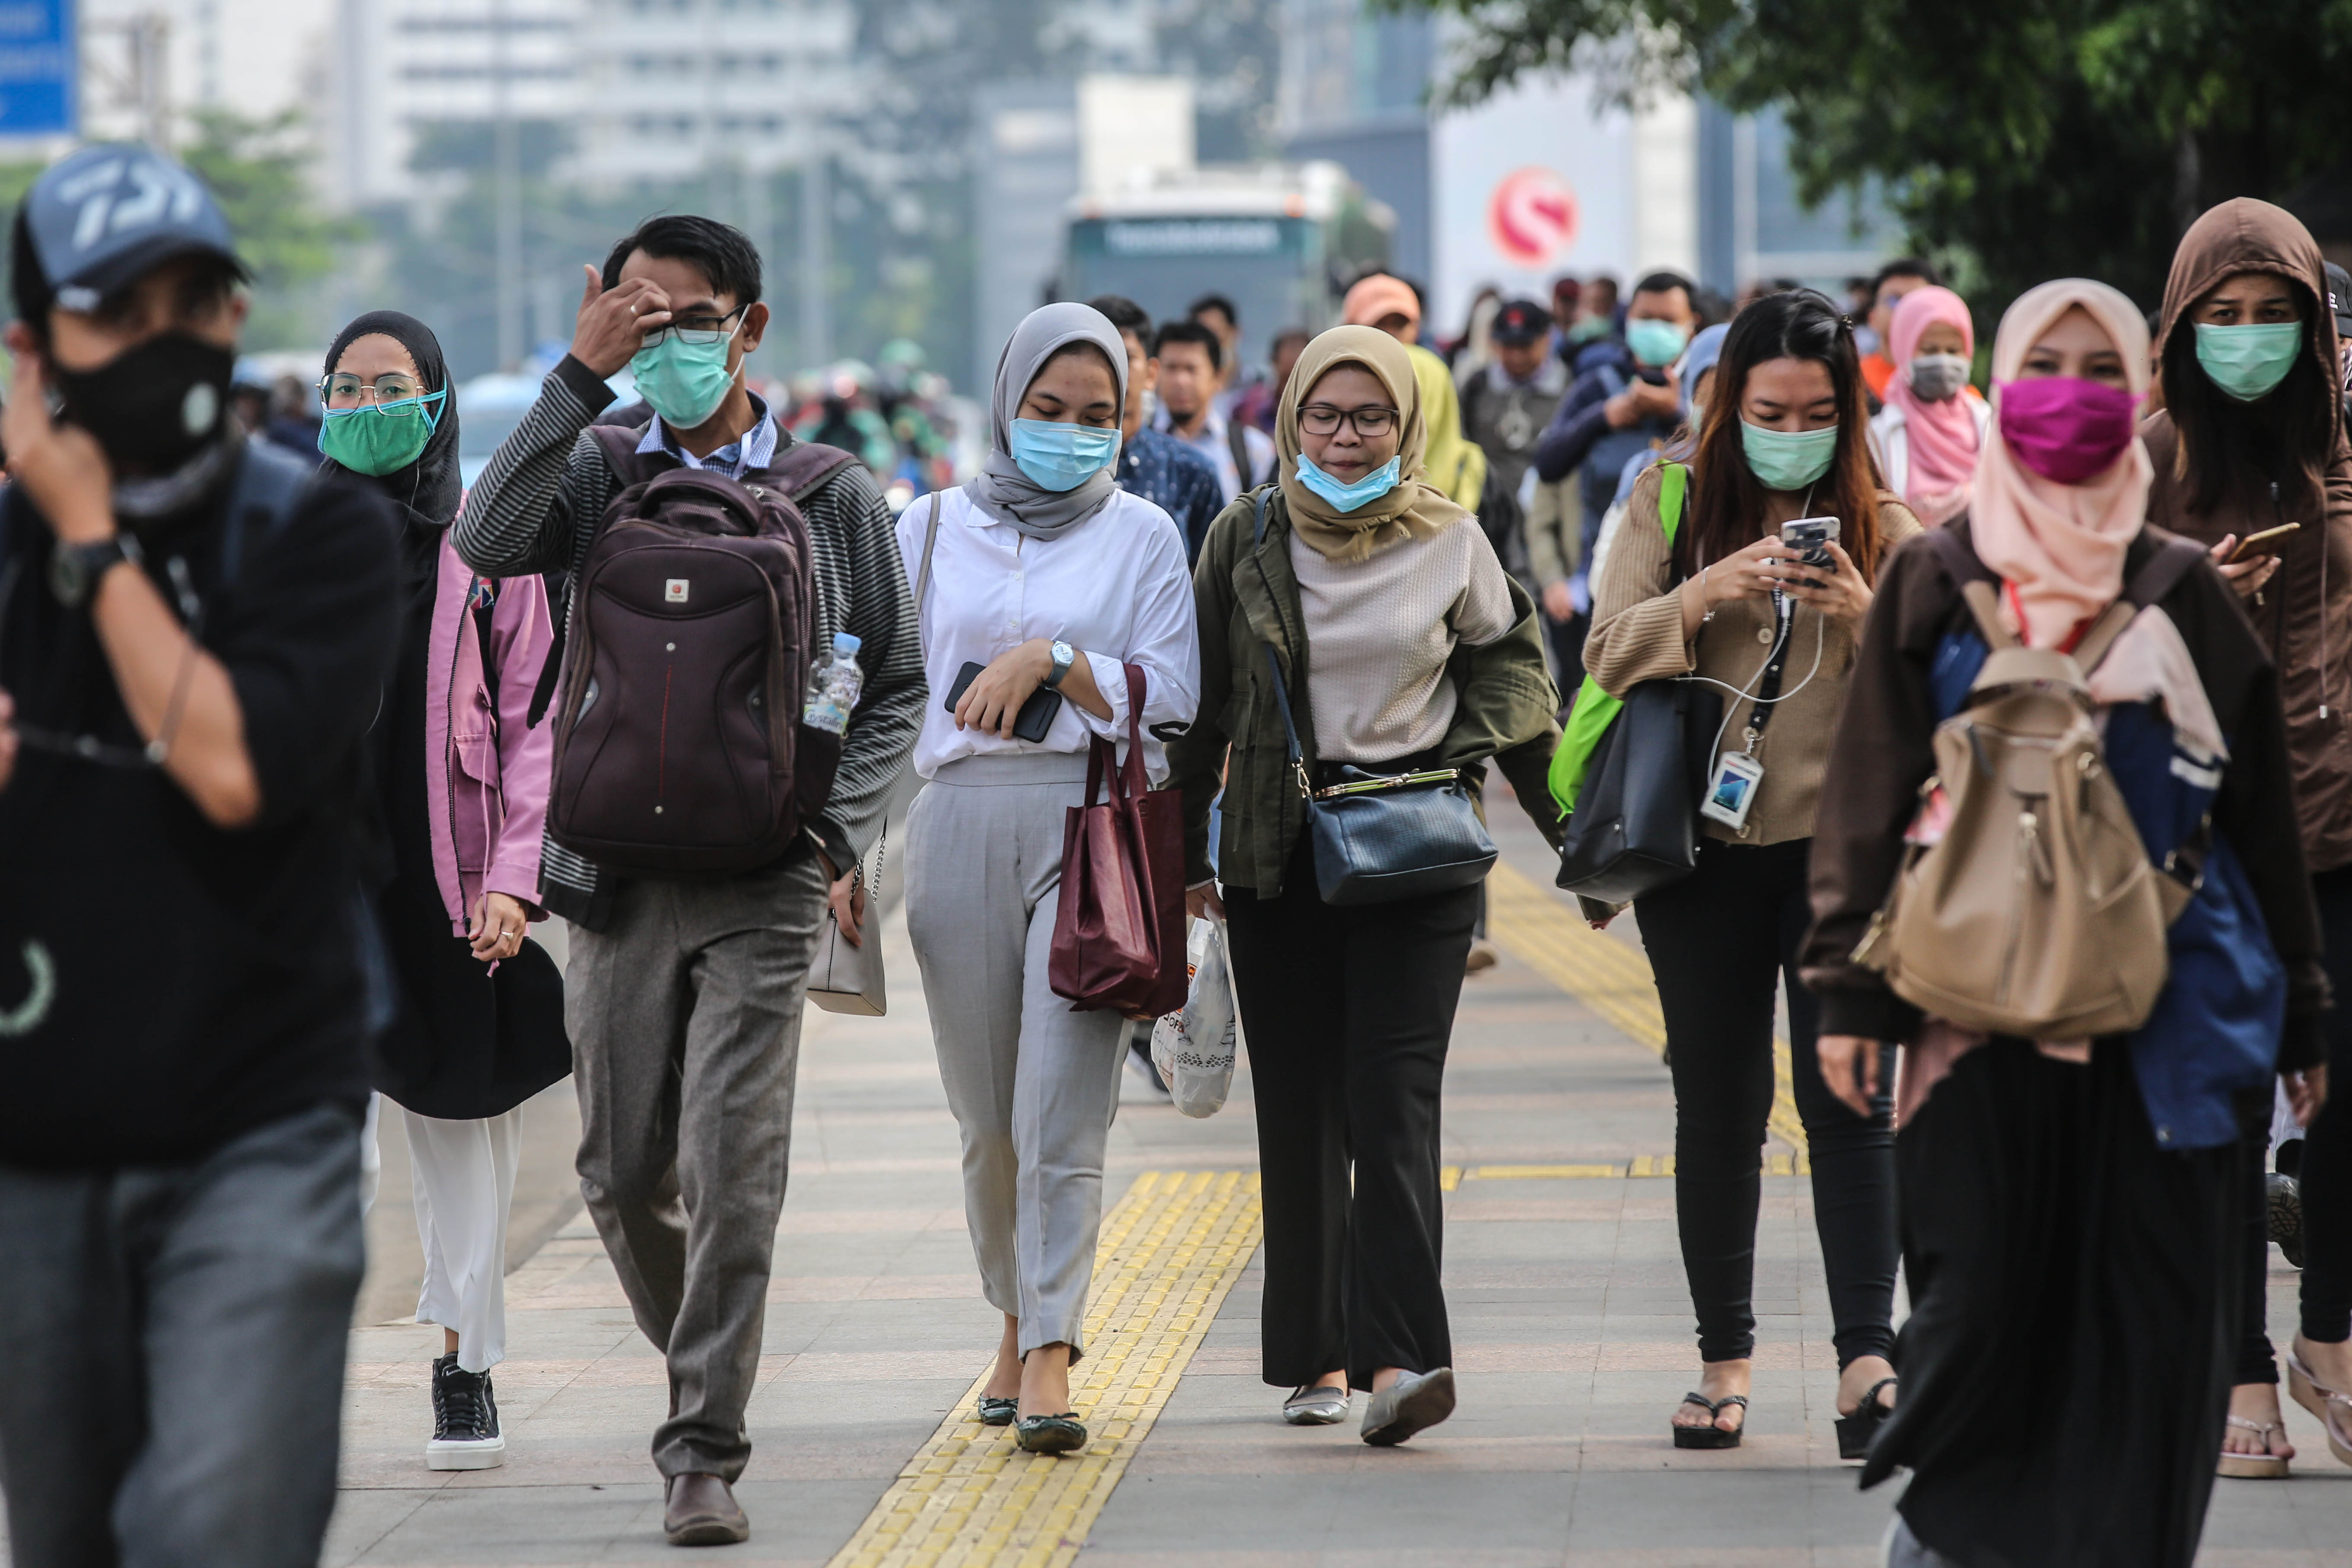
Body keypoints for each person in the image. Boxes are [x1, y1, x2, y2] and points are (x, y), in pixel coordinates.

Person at [1806, 277, 2328, 1568]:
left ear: (2141, 393)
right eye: (2050, 365)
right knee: (1986, 1320)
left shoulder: (2180, 587)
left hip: (2172, 1026)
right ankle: (1945, 1544)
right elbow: (1866, 788)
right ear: (2003, 377)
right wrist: (1845, 993)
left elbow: (2260, 821)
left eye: (2105, 371)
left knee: (2158, 1338)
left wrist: (2306, 1011)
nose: (2075, 396)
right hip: (1975, 1026)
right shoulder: (1936, 572)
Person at [450, 214, 923, 1546]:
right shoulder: (596, 468)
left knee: (731, 1165)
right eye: (637, 318)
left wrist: (837, 838)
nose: (665, 343)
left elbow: (891, 677)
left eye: (686, 320)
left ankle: (702, 1444)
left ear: (748, 326)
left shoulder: (830, 491)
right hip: (608, 872)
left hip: (768, 875)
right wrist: (573, 377)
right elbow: (485, 548)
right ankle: (703, 1363)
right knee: (616, 1168)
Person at [0, 145, 399, 1566]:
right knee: (70, 1538)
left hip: (260, 1121)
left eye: (200, 299)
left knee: (219, 1524)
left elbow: (231, 765)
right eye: (122, 311)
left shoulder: (319, 531)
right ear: (35, 348)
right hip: (36, 1142)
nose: (169, 339)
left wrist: (90, 540)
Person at [1169, 325, 1562, 1447]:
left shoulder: (1450, 537)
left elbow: (1515, 671)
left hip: (1411, 843)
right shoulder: (1244, 534)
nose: (1347, 439)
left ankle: (1403, 1358)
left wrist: (1568, 833)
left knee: (1393, 1105)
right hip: (1275, 852)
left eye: (1371, 417)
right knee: (1300, 1109)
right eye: (1326, 417)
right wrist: (1180, 867)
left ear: (1408, 423)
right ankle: (1317, 1353)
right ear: (1292, 419)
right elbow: (1196, 714)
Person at [1582, 289, 1915, 1450]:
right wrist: (1707, 589)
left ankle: (1865, 1361)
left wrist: (1865, 609)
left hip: (1844, 859)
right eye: (1768, 408)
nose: (1791, 428)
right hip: (1701, 857)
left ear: (1849, 412)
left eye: (1817, 410)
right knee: (1717, 1106)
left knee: (1850, 1105)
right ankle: (1724, 1361)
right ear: (1726, 407)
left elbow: (1947, 687)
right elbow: (1607, 653)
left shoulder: (1890, 520)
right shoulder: (1666, 500)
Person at [899, 301, 1199, 1457]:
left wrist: (1061, 661)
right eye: (1047, 410)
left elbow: (1170, 691)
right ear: (1005, 402)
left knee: (1060, 1109)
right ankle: (1015, 1315)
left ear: (1125, 420)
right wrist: (839, 847)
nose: (1070, 432)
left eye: (1096, 415)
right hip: (957, 821)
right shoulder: (924, 529)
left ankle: (1055, 1351)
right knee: (987, 1123)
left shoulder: (1142, 536)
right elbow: (884, 689)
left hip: (1087, 827)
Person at [318, 310, 568, 1471]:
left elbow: (537, 728)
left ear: (436, 399)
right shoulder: (287, 546)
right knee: (308, 1140)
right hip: (312, 888)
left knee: (461, 1124)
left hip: (446, 877)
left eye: (390, 385)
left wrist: (516, 881)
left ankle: (465, 1363)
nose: (368, 408)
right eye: (347, 388)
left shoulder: (487, 551)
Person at [2138, 197, 2352, 1478]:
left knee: (2342, 1099)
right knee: (2218, 1106)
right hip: (2198, 830)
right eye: (2220, 319)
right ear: (2179, 330)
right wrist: (2186, 598)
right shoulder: (2149, 461)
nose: (2248, 340)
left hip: (2336, 817)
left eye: (2272, 315)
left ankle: (2327, 1335)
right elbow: (2081, 632)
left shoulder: (2341, 446)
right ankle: (2237, 1368)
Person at [1531, 272, 1705, 663]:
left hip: (1687, 580)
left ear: (1692, 323)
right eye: (1646, 318)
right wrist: (1604, 418)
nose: (1655, 329)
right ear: (1628, 320)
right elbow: (1548, 464)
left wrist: (1676, 415)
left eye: (1667, 320)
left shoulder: (1704, 385)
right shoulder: (1598, 386)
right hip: (1600, 575)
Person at [1088, 294, 1223, 564]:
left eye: (1125, 357)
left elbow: (1214, 584)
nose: (1112, 369)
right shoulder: (1057, 464)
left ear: (1151, 374)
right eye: (1099, 356)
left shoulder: (1190, 471)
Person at [1343, 275, 1488, 511]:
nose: (1390, 335)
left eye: (1399, 325)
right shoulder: (1329, 468)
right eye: (1378, 325)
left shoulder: (1472, 475)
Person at [1867, 286, 1990, 526]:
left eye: (1954, 350)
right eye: (1930, 350)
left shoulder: (1987, 422)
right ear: (1903, 349)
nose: (1943, 360)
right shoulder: (1879, 433)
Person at [1152, 318, 1275, 504]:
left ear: (1218, 377)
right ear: (1154, 374)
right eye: (1171, 368)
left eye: (1191, 369)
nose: (1180, 381)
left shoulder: (1254, 450)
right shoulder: (1134, 446)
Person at [1859, 258, 1945, 402]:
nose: (1905, 309)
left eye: (1916, 301)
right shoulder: (1851, 381)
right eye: (1894, 300)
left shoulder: (1963, 398)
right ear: (1872, 317)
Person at [1234, 325, 1309, 434]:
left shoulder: (1321, 403)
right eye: (1291, 350)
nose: (1295, 357)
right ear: (1274, 360)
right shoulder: (1253, 404)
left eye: (1301, 351)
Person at [1190, 291, 1249, 413]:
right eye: (1204, 338)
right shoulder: (1179, 397)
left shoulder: (1258, 389)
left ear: (1235, 333)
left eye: (1217, 335)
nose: (1212, 347)